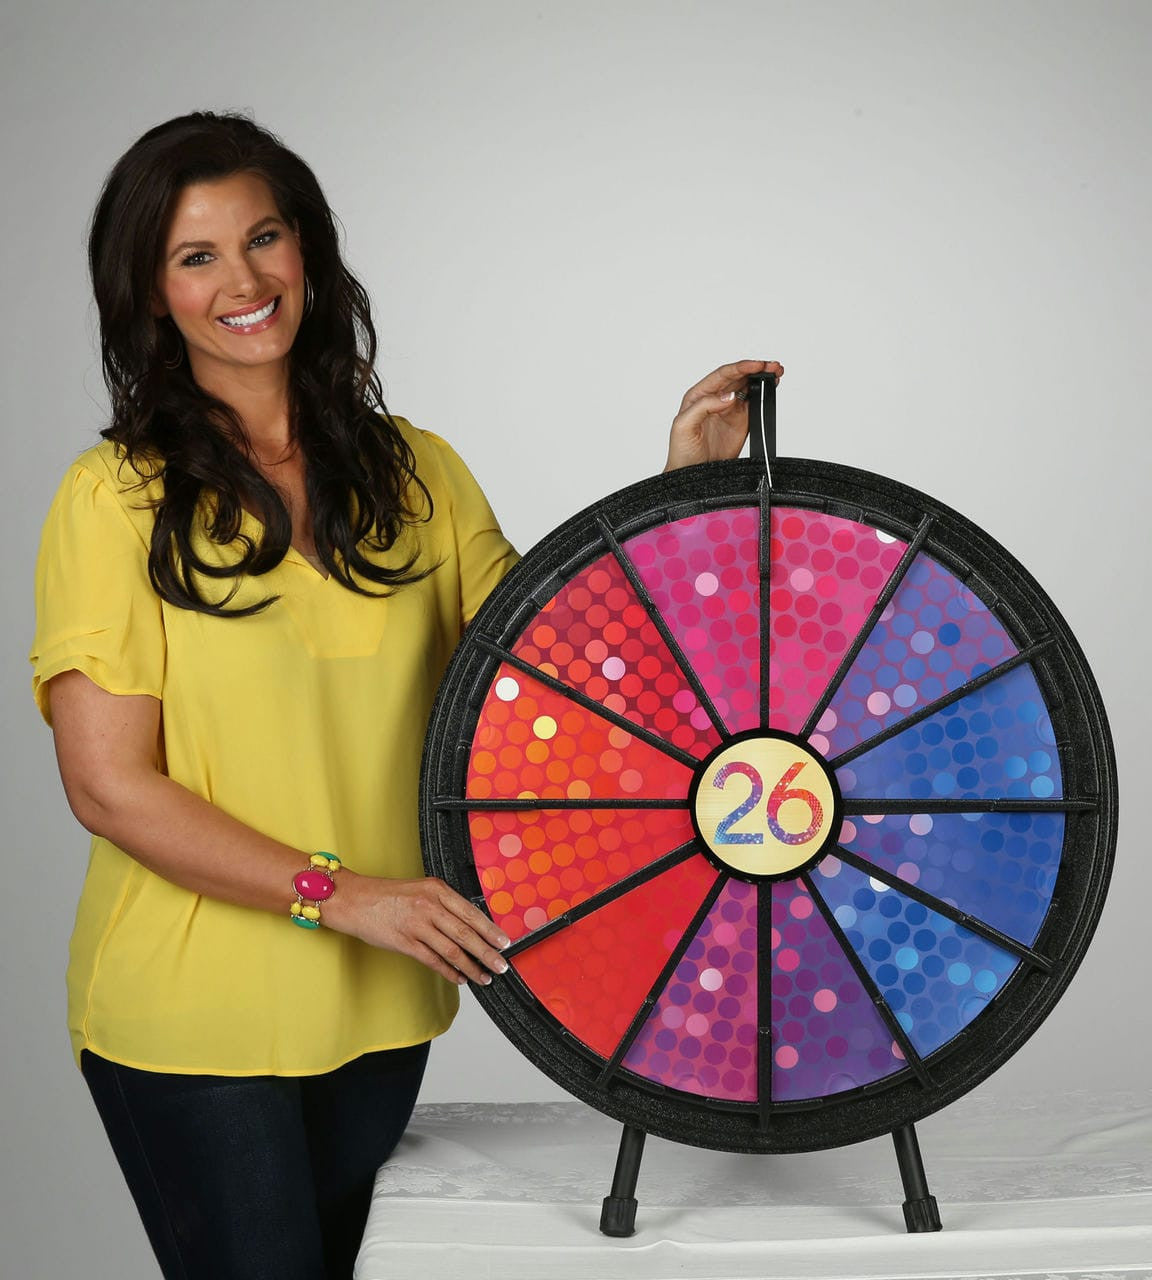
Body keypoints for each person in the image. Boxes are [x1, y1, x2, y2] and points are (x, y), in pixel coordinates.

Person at [31, 110, 783, 1280]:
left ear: (307, 248)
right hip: (192, 1017)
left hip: (385, 999)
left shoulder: (417, 470)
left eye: (264, 237)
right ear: (151, 293)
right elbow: (108, 784)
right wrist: (343, 895)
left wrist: (682, 485)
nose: (245, 282)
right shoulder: (114, 497)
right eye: (196, 256)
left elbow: (556, 674)